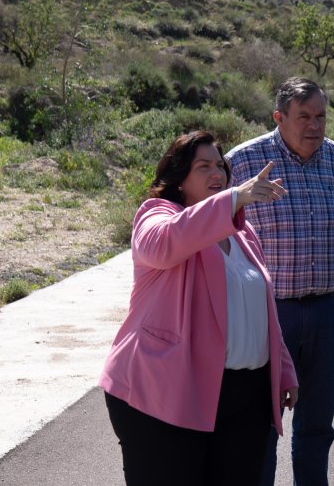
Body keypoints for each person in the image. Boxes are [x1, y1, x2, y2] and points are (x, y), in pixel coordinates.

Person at [100, 130, 299, 485]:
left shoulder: (241, 232)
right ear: (179, 179)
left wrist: (283, 369)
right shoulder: (156, 215)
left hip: (244, 396)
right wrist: (234, 199)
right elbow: (163, 245)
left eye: (220, 165)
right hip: (164, 393)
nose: (217, 174)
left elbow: (259, 310)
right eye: (203, 166)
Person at [226, 78, 334, 486]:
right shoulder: (242, 163)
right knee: (262, 424)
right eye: (303, 116)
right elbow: (220, 240)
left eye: (321, 116)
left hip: (328, 309)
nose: (314, 126)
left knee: (318, 424)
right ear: (279, 117)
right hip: (267, 315)